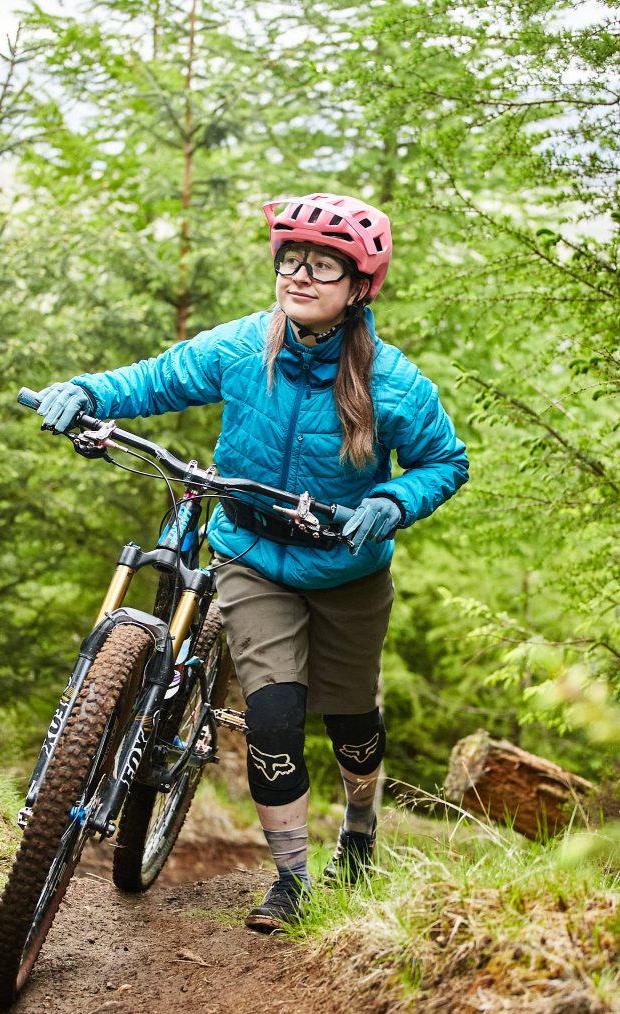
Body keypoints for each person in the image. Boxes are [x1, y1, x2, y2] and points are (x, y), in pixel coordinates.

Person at [36, 192, 469, 933]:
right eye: (291, 261)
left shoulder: (395, 382)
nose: (299, 277)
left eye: (322, 267)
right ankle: (293, 879)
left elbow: (442, 463)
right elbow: (157, 378)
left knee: (351, 724)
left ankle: (360, 831)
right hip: (252, 556)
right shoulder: (242, 346)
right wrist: (84, 390)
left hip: (345, 570)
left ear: (359, 286)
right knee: (272, 719)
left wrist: (392, 504)